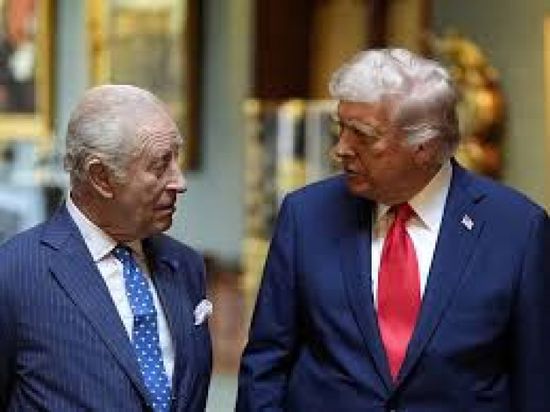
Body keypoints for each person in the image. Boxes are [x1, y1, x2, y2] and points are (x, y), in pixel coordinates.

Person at [236, 48, 550, 411]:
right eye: (341, 128)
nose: (341, 149)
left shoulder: (518, 231)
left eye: (362, 135)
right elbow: (265, 365)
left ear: (424, 147)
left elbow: (537, 384)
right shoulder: (306, 215)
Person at [0, 85, 212, 411]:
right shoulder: (15, 274)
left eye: (176, 159)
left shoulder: (184, 264)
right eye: (160, 166)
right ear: (100, 177)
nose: (179, 182)